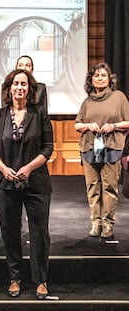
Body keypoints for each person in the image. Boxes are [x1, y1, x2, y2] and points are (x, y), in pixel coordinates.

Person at [0, 69, 53, 299]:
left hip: (36, 182)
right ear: (9, 88)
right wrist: (4, 169)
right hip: (5, 184)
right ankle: (15, 277)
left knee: (39, 233)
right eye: (16, 83)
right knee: (10, 233)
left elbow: (48, 148)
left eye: (24, 84)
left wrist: (28, 168)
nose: (20, 87)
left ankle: (41, 280)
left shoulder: (40, 114)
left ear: (30, 89)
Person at [75, 63, 129, 238]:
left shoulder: (118, 97)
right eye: (96, 75)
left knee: (109, 187)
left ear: (109, 79)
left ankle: (108, 224)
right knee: (92, 187)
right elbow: (77, 124)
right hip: (89, 148)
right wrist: (88, 125)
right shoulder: (87, 101)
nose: (99, 78)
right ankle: (95, 222)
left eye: (103, 75)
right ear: (91, 80)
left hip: (111, 148)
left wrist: (113, 126)